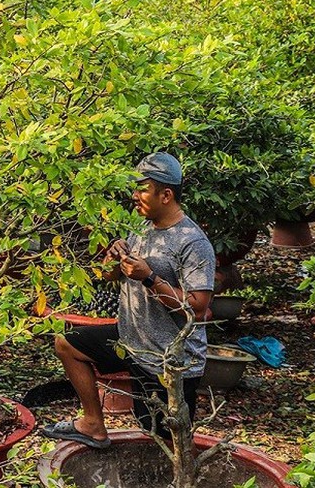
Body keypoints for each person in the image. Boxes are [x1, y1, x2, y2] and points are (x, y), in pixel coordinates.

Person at [40, 152, 215, 448]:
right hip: (131, 339)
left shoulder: (192, 242)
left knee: (165, 440)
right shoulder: (142, 228)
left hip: (168, 359)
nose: (134, 196)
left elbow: (197, 308)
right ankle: (93, 424)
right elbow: (111, 276)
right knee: (66, 343)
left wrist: (150, 278)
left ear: (166, 194)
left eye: (142, 189)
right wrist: (113, 257)